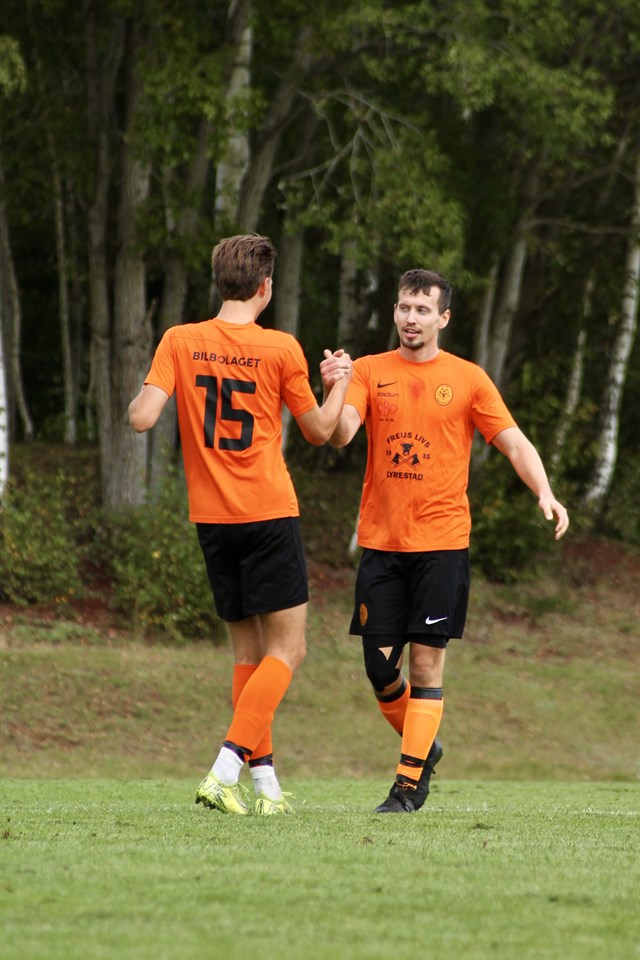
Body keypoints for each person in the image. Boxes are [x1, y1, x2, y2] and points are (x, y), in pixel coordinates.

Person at [322, 268, 569, 813]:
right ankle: (425, 744)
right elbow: (339, 434)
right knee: (380, 669)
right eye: (404, 308)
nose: (411, 318)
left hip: (442, 545)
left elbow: (515, 443)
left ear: (444, 318)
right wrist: (334, 385)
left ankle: (407, 787)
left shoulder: (468, 379)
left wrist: (545, 492)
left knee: (426, 668)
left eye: (422, 310)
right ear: (395, 311)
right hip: (383, 545)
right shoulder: (369, 370)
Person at [129, 233, 352, 816]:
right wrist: (340, 384)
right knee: (290, 650)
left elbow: (142, 418)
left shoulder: (180, 339)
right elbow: (320, 431)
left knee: (249, 658)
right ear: (265, 288)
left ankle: (266, 789)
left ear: (219, 281)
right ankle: (225, 768)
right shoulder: (280, 347)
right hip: (267, 511)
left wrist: (147, 394)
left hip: (212, 520)